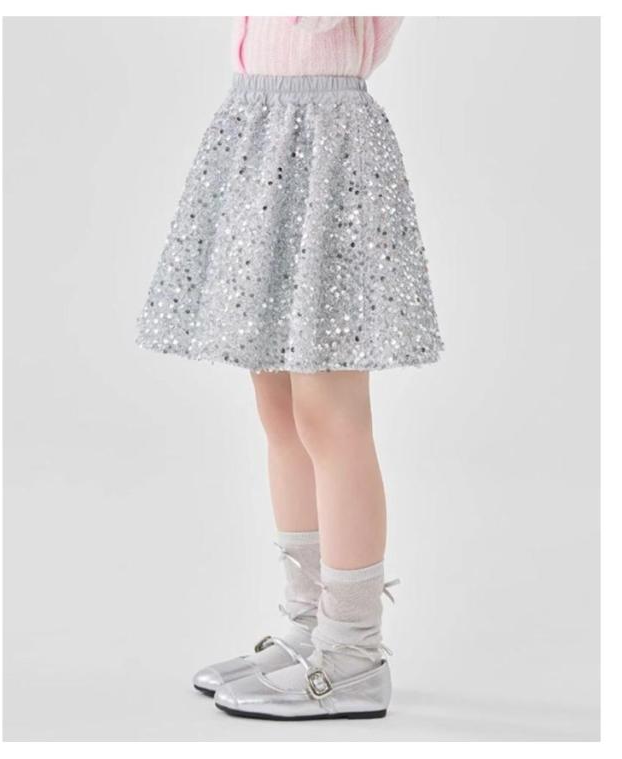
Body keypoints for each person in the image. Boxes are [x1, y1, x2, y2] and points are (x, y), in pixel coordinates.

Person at [137, 16, 443, 721]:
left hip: (330, 148)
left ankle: (354, 650)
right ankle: (309, 626)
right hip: (256, 131)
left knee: (330, 416)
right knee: (278, 408)